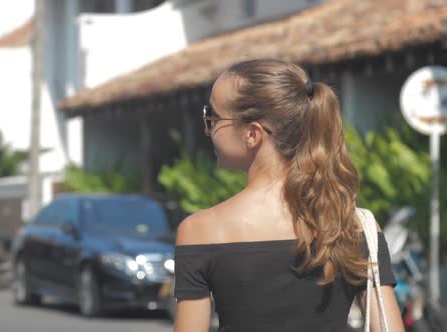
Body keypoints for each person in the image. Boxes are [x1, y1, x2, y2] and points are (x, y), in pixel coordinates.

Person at [173, 59, 404, 332]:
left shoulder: (201, 230)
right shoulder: (352, 225)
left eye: (212, 115)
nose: (207, 128)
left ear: (252, 133)